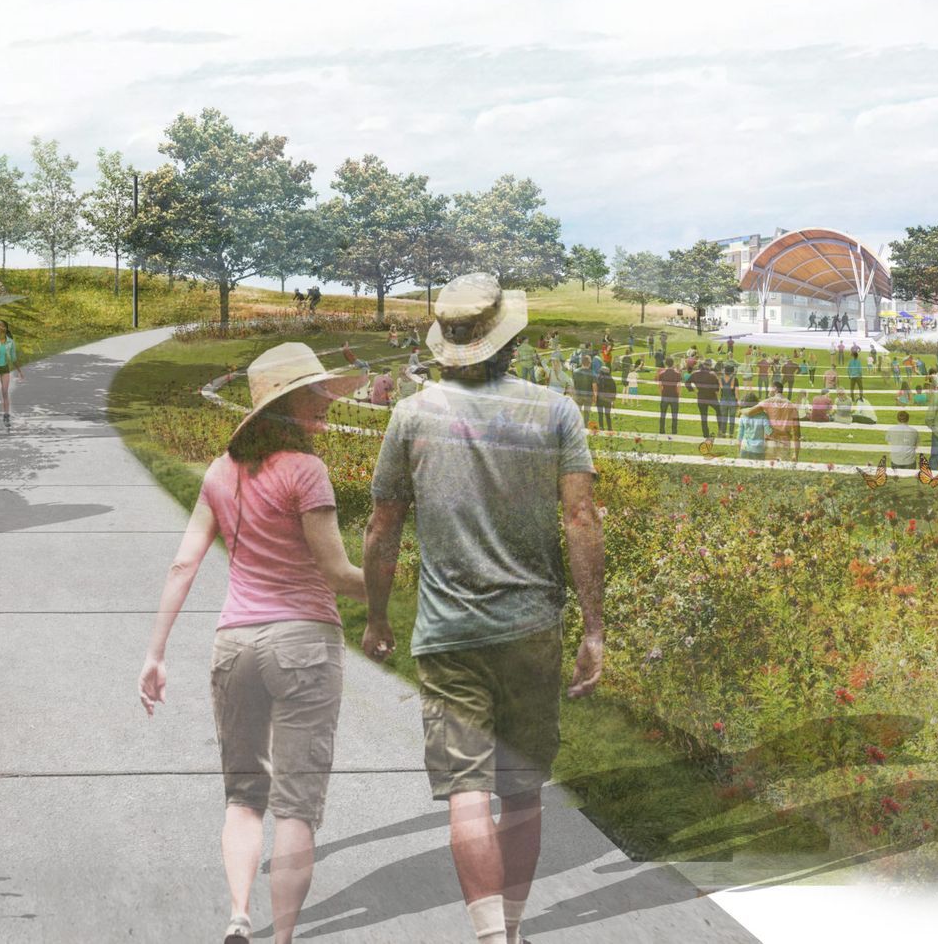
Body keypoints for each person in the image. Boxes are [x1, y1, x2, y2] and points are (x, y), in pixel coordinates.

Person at [360, 274, 603, 944]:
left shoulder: (411, 414)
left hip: (448, 631)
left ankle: (490, 937)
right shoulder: (556, 411)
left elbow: (383, 527)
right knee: (521, 791)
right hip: (532, 627)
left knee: (466, 791)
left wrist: (378, 616)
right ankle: (517, 928)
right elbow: (581, 517)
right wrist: (596, 628)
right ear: (509, 337)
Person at [138, 341, 363, 944]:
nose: (322, 409)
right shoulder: (306, 471)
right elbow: (339, 573)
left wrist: (155, 654)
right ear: (288, 407)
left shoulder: (219, 471)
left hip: (233, 646)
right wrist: (391, 590)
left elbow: (183, 566)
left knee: (243, 797)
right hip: (304, 644)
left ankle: (239, 916)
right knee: (295, 806)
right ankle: (283, 938)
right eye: (314, 398)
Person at [687, 358, 720, 440]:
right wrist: (716, 392)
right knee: (719, 411)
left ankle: (705, 434)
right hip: (712, 397)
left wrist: (694, 390)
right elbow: (717, 387)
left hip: (701, 397)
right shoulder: (712, 374)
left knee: (703, 416)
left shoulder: (695, 374)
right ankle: (720, 430)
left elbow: (687, 383)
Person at [736, 394, 769, 460]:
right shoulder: (763, 416)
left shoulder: (743, 416)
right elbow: (768, 432)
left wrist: (739, 449)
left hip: (744, 448)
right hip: (759, 449)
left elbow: (740, 435)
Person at [655, 355, 682, 435]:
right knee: (674, 415)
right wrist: (678, 394)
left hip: (665, 395)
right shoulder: (677, 373)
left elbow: (659, 385)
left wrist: (661, 394)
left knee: (663, 414)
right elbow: (679, 386)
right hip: (674, 396)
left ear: (666, 363)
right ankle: (674, 431)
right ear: (673, 363)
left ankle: (662, 430)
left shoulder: (662, 373)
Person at [593, 360, 617, 431]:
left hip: (599, 399)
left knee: (600, 414)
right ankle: (609, 428)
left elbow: (595, 389)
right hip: (608, 399)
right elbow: (614, 390)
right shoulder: (611, 380)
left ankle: (601, 427)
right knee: (607, 415)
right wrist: (613, 400)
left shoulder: (598, 378)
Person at [717, 364, 739, 436]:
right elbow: (736, 392)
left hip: (723, 400)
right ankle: (731, 433)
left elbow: (719, 391)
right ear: (732, 372)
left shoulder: (720, 379)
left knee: (724, 417)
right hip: (732, 400)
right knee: (732, 418)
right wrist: (737, 401)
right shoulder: (735, 379)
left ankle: (723, 432)